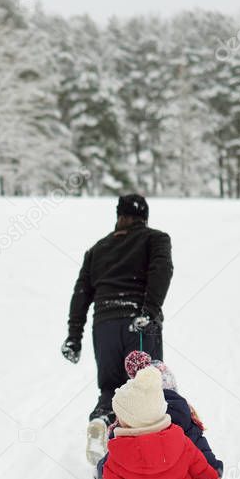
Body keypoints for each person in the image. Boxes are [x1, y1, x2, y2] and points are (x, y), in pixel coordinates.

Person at [61, 194, 173, 464]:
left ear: (118, 216)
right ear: (144, 217)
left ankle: (101, 421)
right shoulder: (155, 239)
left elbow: (81, 294)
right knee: (146, 386)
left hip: (105, 325)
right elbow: (162, 270)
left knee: (111, 388)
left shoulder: (97, 249)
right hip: (139, 322)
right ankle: (145, 457)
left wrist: (74, 337)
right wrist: (149, 311)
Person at [74, 365, 235, 479]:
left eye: (120, 416)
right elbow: (206, 478)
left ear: (129, 421)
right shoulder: (182, 441)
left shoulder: (117, 454)